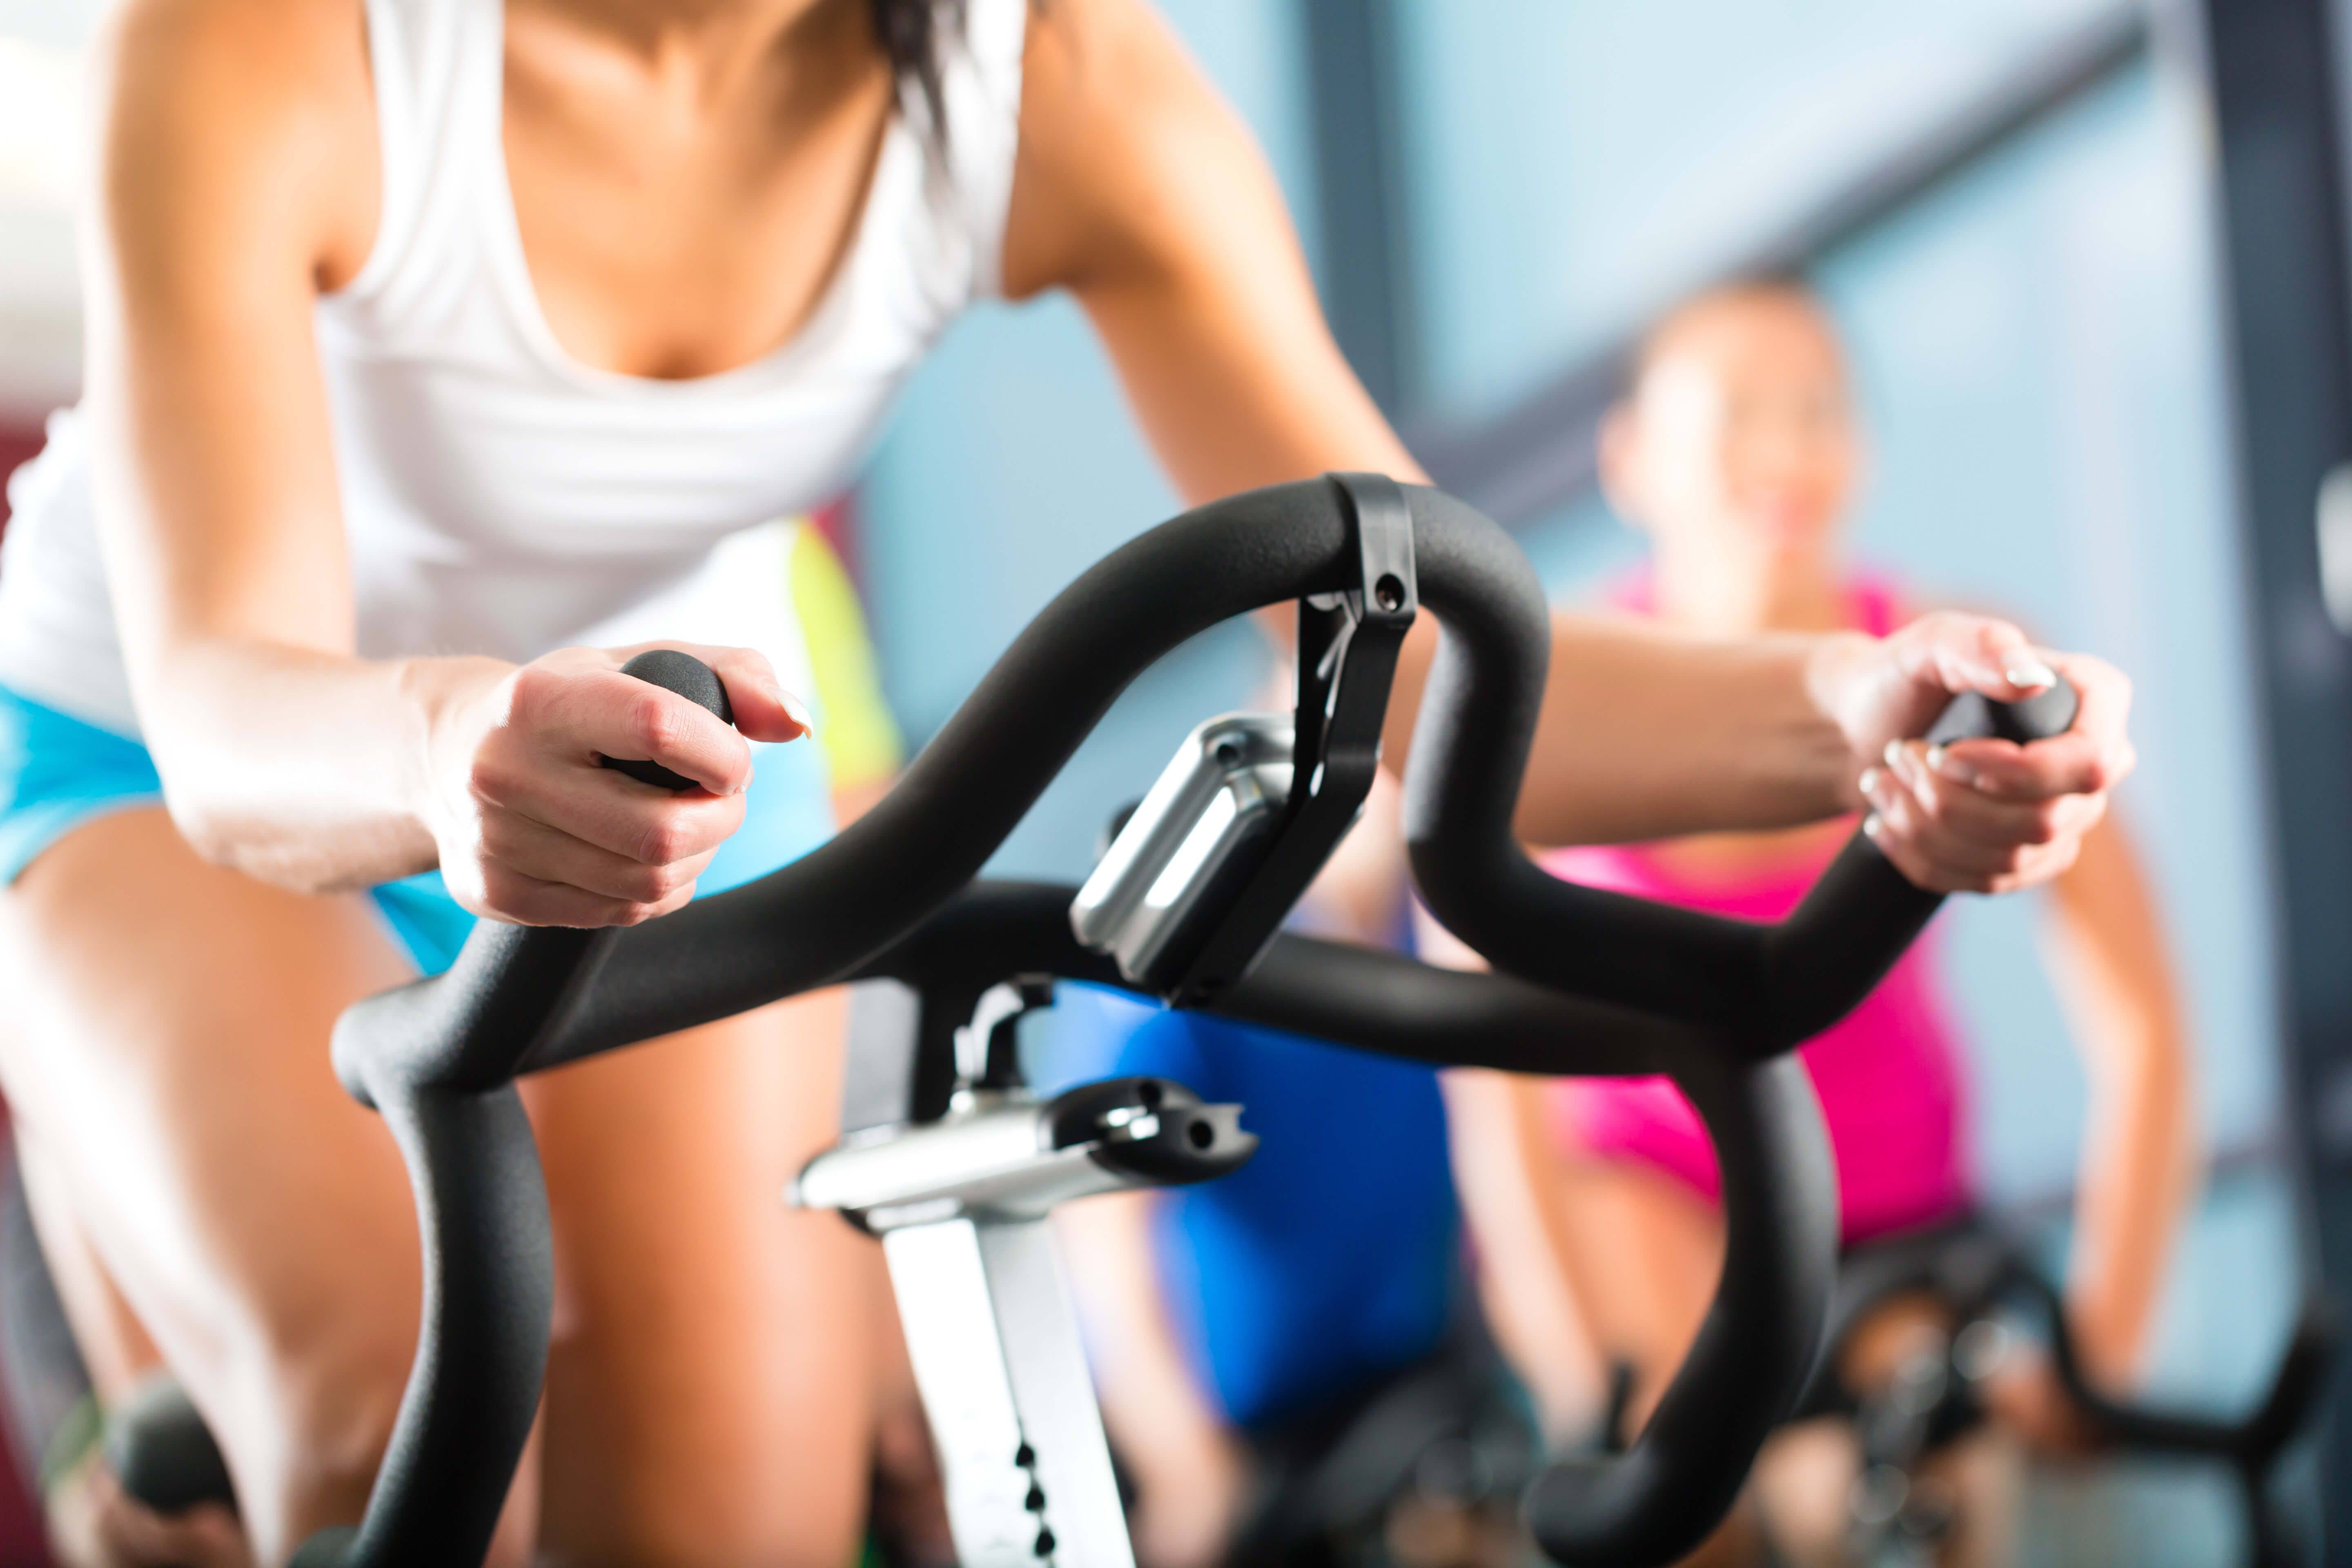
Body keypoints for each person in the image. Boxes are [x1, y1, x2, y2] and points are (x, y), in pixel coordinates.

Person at [0, 0, 2134, 1561]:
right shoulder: (269, 42)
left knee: (728, 1533)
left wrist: (1852, 715)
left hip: (663, 788)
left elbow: (1425, 680)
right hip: (172, 764)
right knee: (399, 1426)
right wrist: (443, 746)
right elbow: (227, 700)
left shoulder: (1056, 88)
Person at [1444, 280, 2195, 1568]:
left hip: (1891, 1207)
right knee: (1711, 1505)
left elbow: (2144, 1030)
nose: (1788, 452)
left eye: (1820, 411)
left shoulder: (1957, 665)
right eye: (1739, 415)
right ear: (1630, 461)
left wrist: (2102, 1349)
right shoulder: (1548, 697)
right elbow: (1492, 1091)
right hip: (1650, 1193)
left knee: (1929, 1511)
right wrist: (1577, 1375)